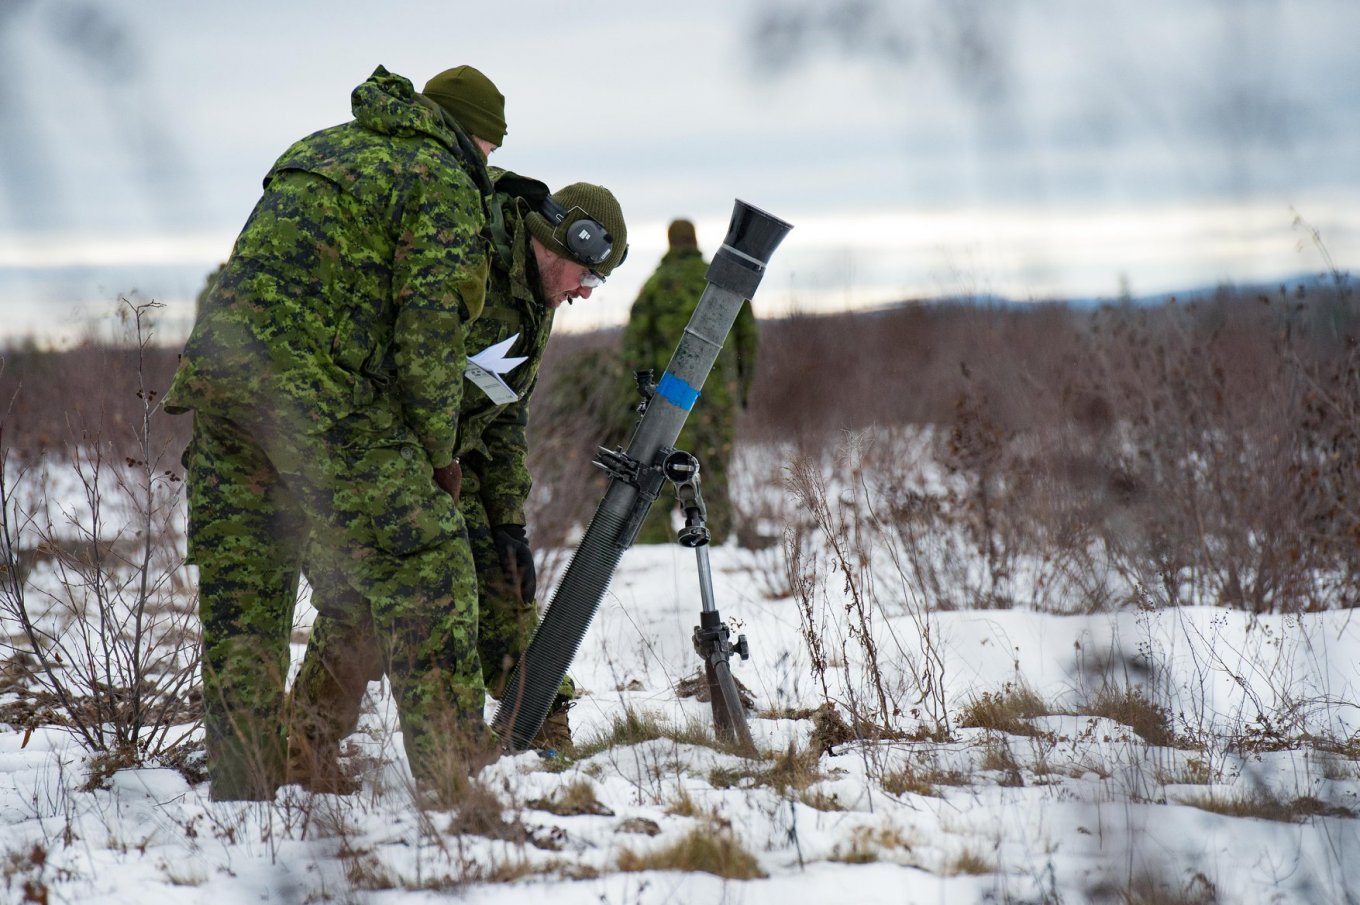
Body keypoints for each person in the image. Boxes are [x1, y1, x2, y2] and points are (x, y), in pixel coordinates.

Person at [163, 63, 507, 802]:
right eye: (487, 149)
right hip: (321, 404)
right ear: (470, 137)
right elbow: (428, 334)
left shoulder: (318, 148)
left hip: (224, 394)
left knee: (245, 609)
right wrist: (438, 457)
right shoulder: (439, 176)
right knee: (428, 566)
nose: (486, 165)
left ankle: (243, 796)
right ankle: (455, 791)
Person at [287, 171, 629, 789]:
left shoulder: (534, 304)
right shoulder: (465, 258)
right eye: (588, 274)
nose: (587, 292)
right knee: (365, 607)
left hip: (454, 463)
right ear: (559, 239)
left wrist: (507, 522)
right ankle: (300, 750)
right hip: (381, 453)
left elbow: (505, 414)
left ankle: (539, 728)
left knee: (502, 586)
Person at [623, 219, 757, 545]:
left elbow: (634, 344)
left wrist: (638, 391)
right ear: (694, 240)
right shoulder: (723, 285)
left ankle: (653, 538)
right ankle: (719, 536)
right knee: (713, 468)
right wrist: (741, 389)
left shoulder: (656, 285)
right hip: (717, 396)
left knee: (659, 463)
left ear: (671, 242)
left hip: (670, 396)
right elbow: (748, 340)